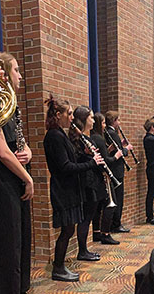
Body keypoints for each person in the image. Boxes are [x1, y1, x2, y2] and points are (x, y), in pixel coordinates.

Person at [0, 51, 36, 294]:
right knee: (7, 237)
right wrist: (27, 177)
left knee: (23, 233)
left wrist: (29, 153)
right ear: (2, 71)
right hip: (2, 176)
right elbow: (2, 152)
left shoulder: (12, 103)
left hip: (15, 173)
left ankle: (20, 289)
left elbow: (19, 144)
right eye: (16, 70)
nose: (20, 76)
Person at [43, 96, 104, 281]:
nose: (71, 117)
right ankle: (58, 268)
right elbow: (65, 167)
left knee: (69, 230)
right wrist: (92, 163)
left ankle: (60, 267)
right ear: (58, 115)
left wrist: (86, 157)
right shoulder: (54, 136)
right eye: (69, 113)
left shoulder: (60, 134)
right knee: (67, 230)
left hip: (68, 189)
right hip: (63, 190)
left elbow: (72, 161)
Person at [67, 105, 103, 260]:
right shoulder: (78, 138)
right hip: (86, 182)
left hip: (92, 180)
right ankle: (82, 251)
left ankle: (84, 250)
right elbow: (77, 160)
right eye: (91, 117)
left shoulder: (86, 138)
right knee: (86, 218)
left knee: (89, 217)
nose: (93, 120)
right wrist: (91, 158)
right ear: (83, 119)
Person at [90, 112, 121, 245]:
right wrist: (117, 155)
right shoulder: (99, 138)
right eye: (102, 123)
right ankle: (106, 234)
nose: (104, 126)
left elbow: (102, 155)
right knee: (110, 205)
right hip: (103, 176)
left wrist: (107, 150)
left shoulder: (93, 137)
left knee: (97, 207)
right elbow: (106, 161)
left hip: (95, 177)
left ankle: (96, 232)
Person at [104, 111, 132, 233]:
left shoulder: (106, 132)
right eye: (118, 120)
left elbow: (113, 148)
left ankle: (114, 224)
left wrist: (120, 145)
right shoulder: (113, 133)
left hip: (113, 169)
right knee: (118, 199)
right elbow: (120, 153)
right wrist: (127, 148)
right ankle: (117, 224)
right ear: (114, 121)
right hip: (116, 170)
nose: (119, 123)